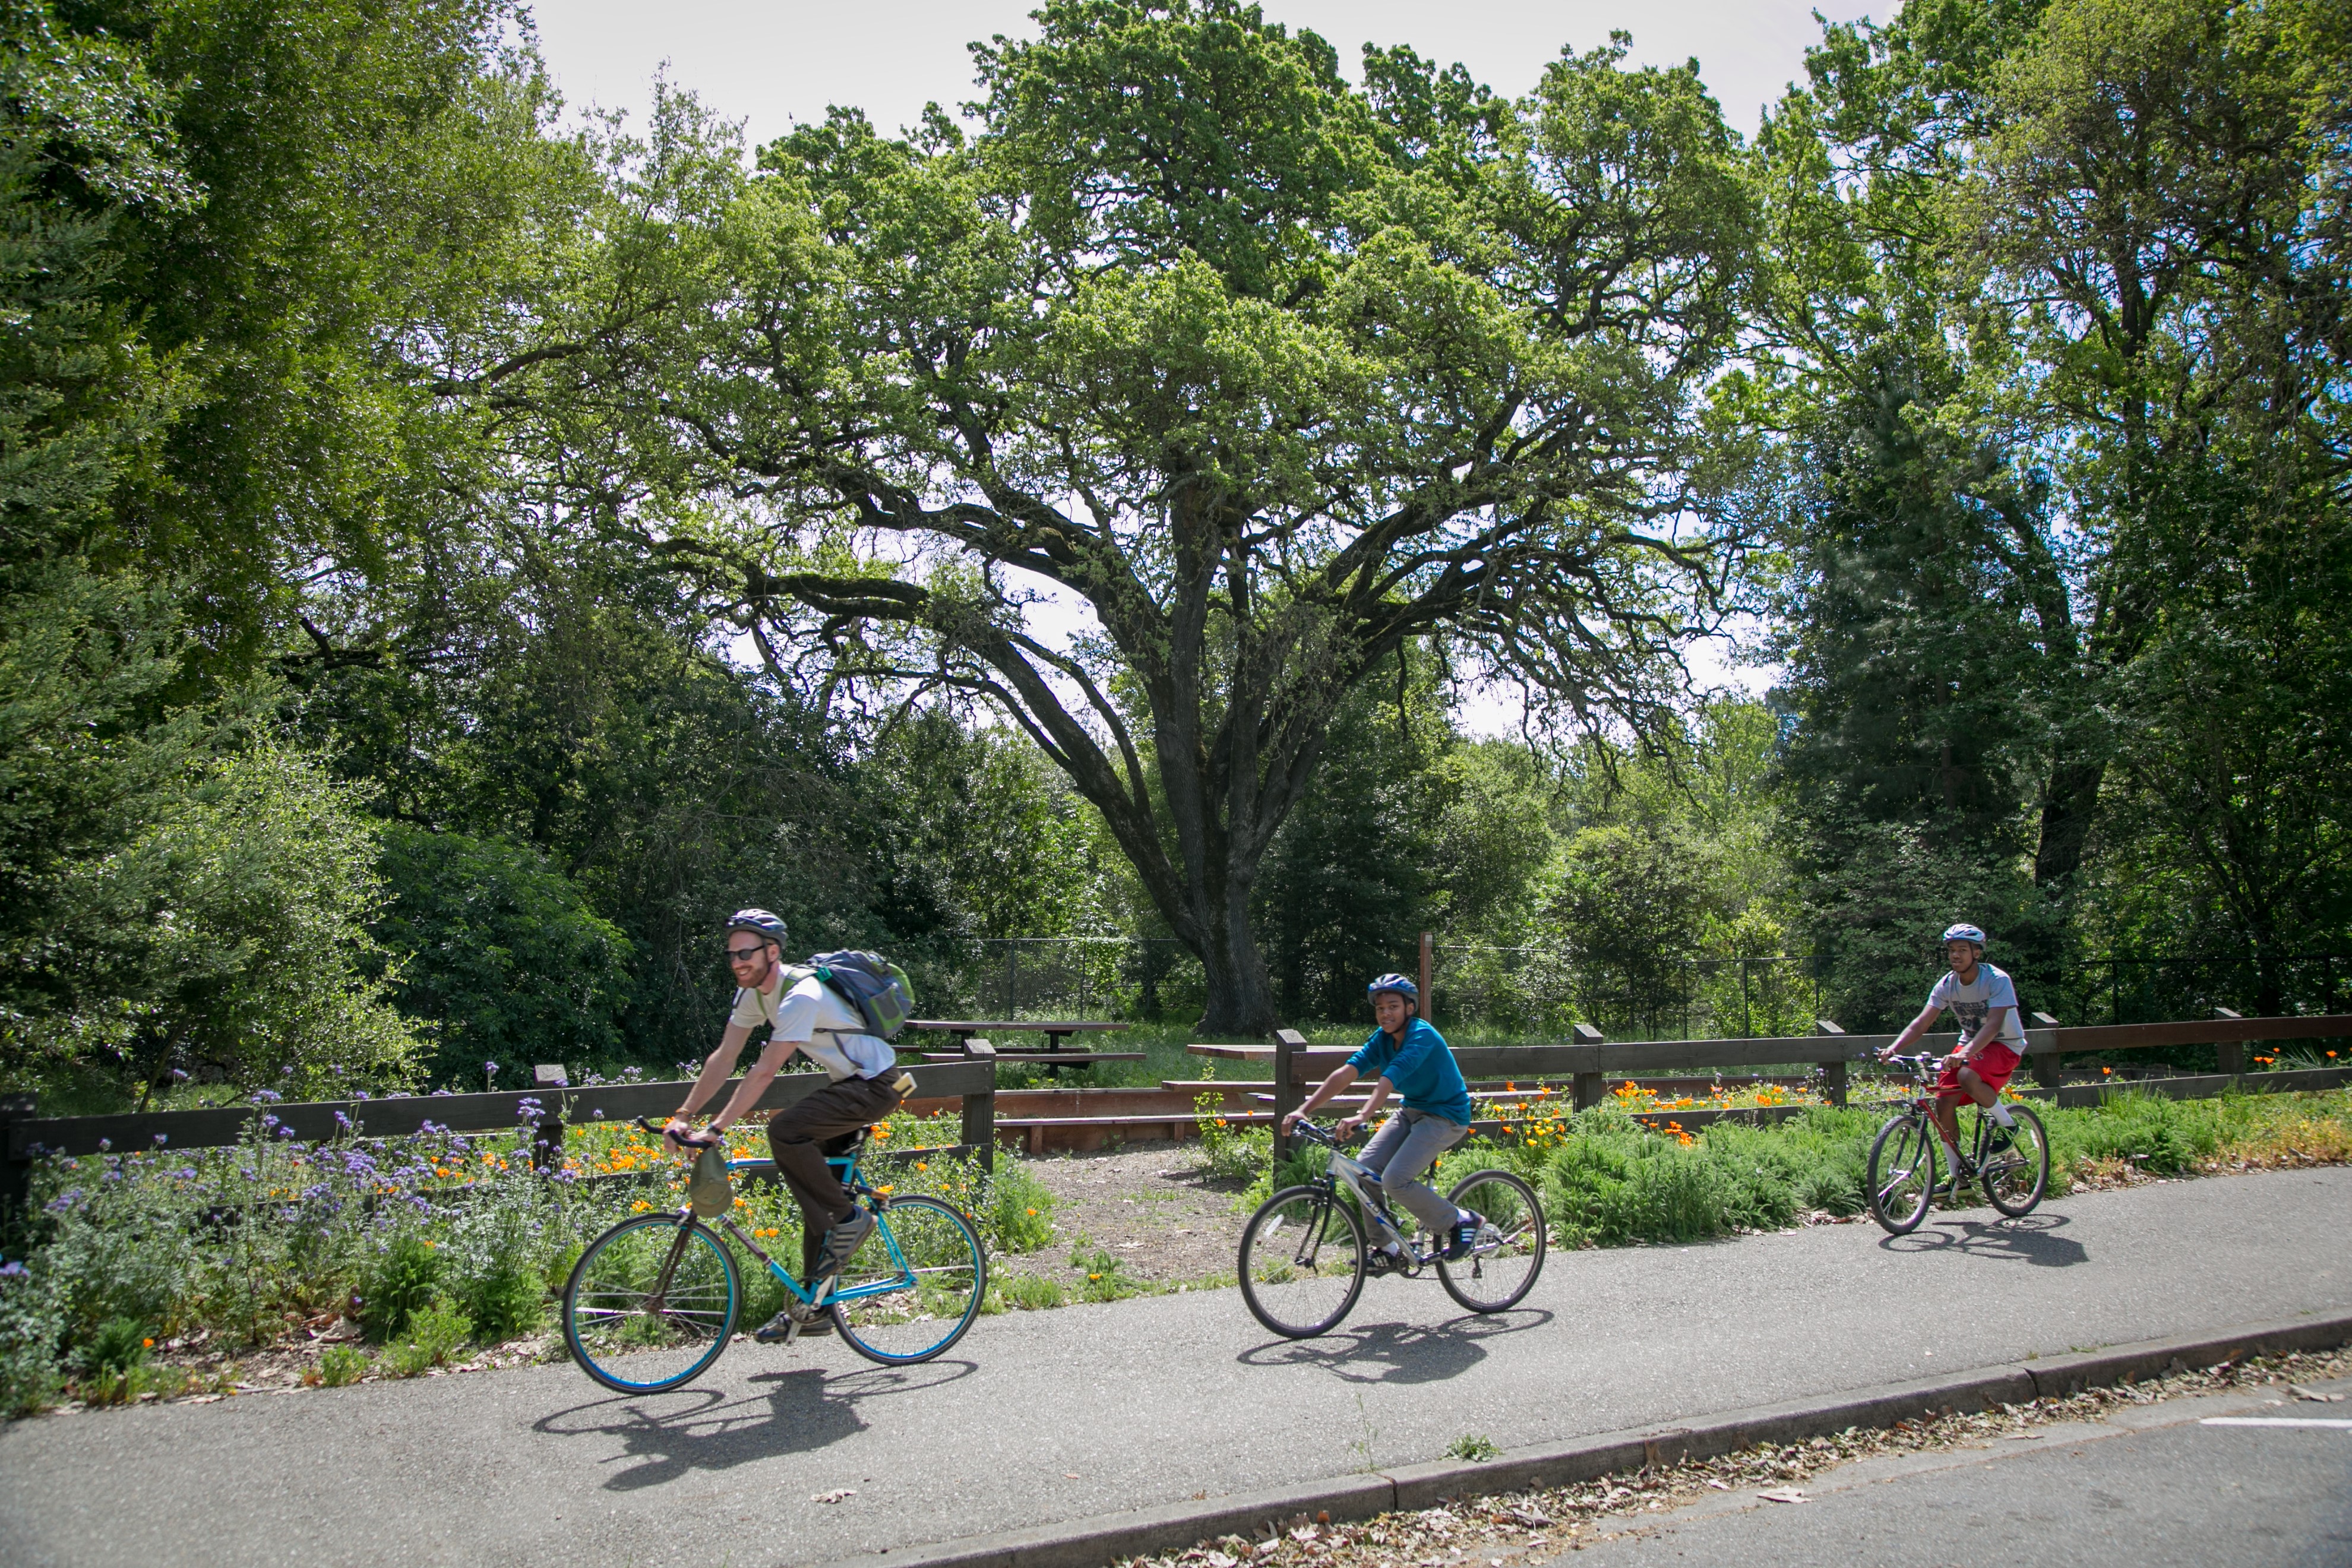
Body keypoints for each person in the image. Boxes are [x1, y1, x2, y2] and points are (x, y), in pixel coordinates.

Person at [665, 909, 907, 1342]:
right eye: (732, 954)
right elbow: (724, 1059)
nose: (737, 961)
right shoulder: (754, 995)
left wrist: (716, 1130)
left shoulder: (802, 996)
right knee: (821, 1203)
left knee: (785, 1132)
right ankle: (815, 1309)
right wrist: (683, 1116)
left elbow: (764, 1071)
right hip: (848, 1086)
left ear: (772, 951)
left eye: (746, 953)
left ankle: (850, 1219)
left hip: (874, 1085)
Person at [1282, 973, 1484, 1262]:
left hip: (1446, 1116)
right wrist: (1304, 1109)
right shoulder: (1382, 1040)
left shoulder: (1421, 1035)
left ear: (1409, 1008)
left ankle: (1460, 1221)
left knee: (1396, 1179)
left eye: (1393, 1006)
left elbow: (1390, 1078)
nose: (1385, 1013)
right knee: (1363, 1169)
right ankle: (1386, 1248)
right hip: (1412, 1110)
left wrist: (1362, 1115)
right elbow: (1347, 1072)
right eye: (1380, 1008)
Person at [1880, 923, 2025, 1192]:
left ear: (1977, 953)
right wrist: (1894, 1048)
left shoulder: (1997, 980)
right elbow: (1921, 1022)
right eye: (1951, 951)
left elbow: (1993, 1025)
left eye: (1962, 950)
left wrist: (1966, 1053)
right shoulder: (1948, 984)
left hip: (2004, 1045)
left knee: (1968, 1074)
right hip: (1971, 1046)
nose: (1955, 956)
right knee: (1943, 1103)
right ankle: (1957, 1176)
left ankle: (2007, 1124)